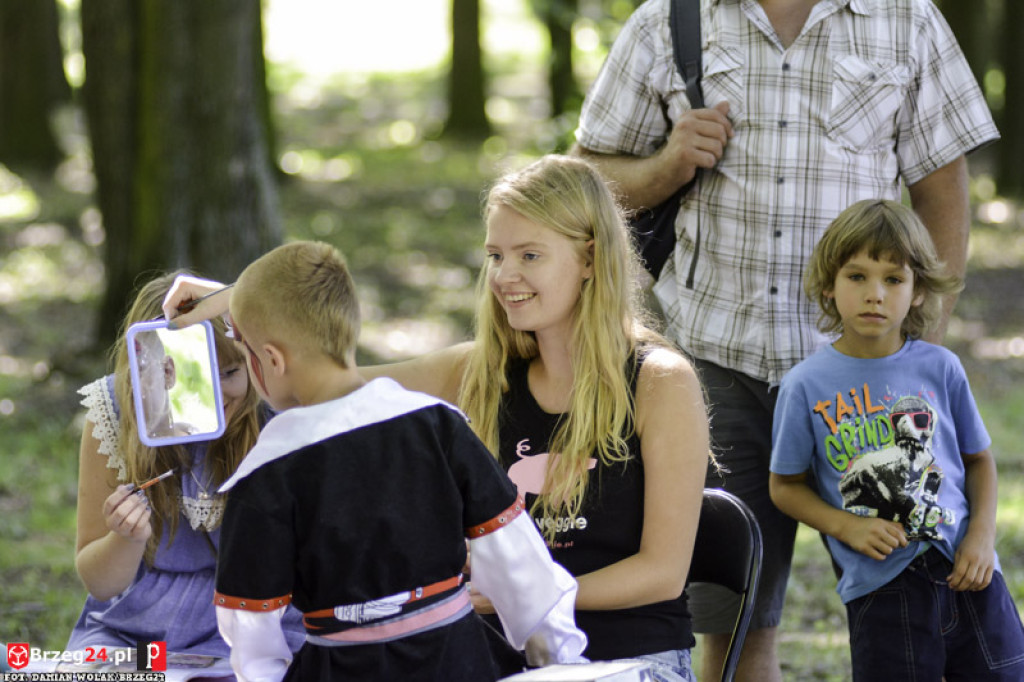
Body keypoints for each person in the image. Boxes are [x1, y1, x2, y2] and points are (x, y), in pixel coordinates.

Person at [571, 1, 1000, 679]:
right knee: (736, 624)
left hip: (865, 386)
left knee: (918, 601)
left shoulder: (905, 17)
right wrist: (668, 163)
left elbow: (942, 189)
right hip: (717, 367)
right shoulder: (672, 18)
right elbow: (585, 174)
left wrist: (916, 354)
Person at [161, 156, 711, 682]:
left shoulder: (660, 381)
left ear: (590, 258)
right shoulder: (481, 371)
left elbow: (662, 573)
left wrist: (519, 592)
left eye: (530, 255)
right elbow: (322, 378)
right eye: (496, 255)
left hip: (635, 658)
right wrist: (236, 300)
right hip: (501, 656)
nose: (505, 275)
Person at [202, 240, 587, 682]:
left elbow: (250, 623)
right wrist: (558, 659)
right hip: (457, 662)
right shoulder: (439, 426)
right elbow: (519, 563)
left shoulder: (265, 474)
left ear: (270, 359)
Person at [769, 199, 1024, 680]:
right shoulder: (804, 385)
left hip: (969, 573)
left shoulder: (940, 367)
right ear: (829, 284)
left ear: (919, 292)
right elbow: (785, 486)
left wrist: (981, 538)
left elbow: (980, 461)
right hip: (882, 589)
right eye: (857, 276)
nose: (875, 294)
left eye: (893, 279)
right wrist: (846, 526)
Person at [69, 272, 305, 660]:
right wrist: (125, 538)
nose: (213, 395)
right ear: (141, 371)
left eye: (229, 373)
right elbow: (101, 584)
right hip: (135, 629)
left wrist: (239, 305)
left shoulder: (275, 408)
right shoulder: (114, 411)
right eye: (185, 376)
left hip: (255, 622)